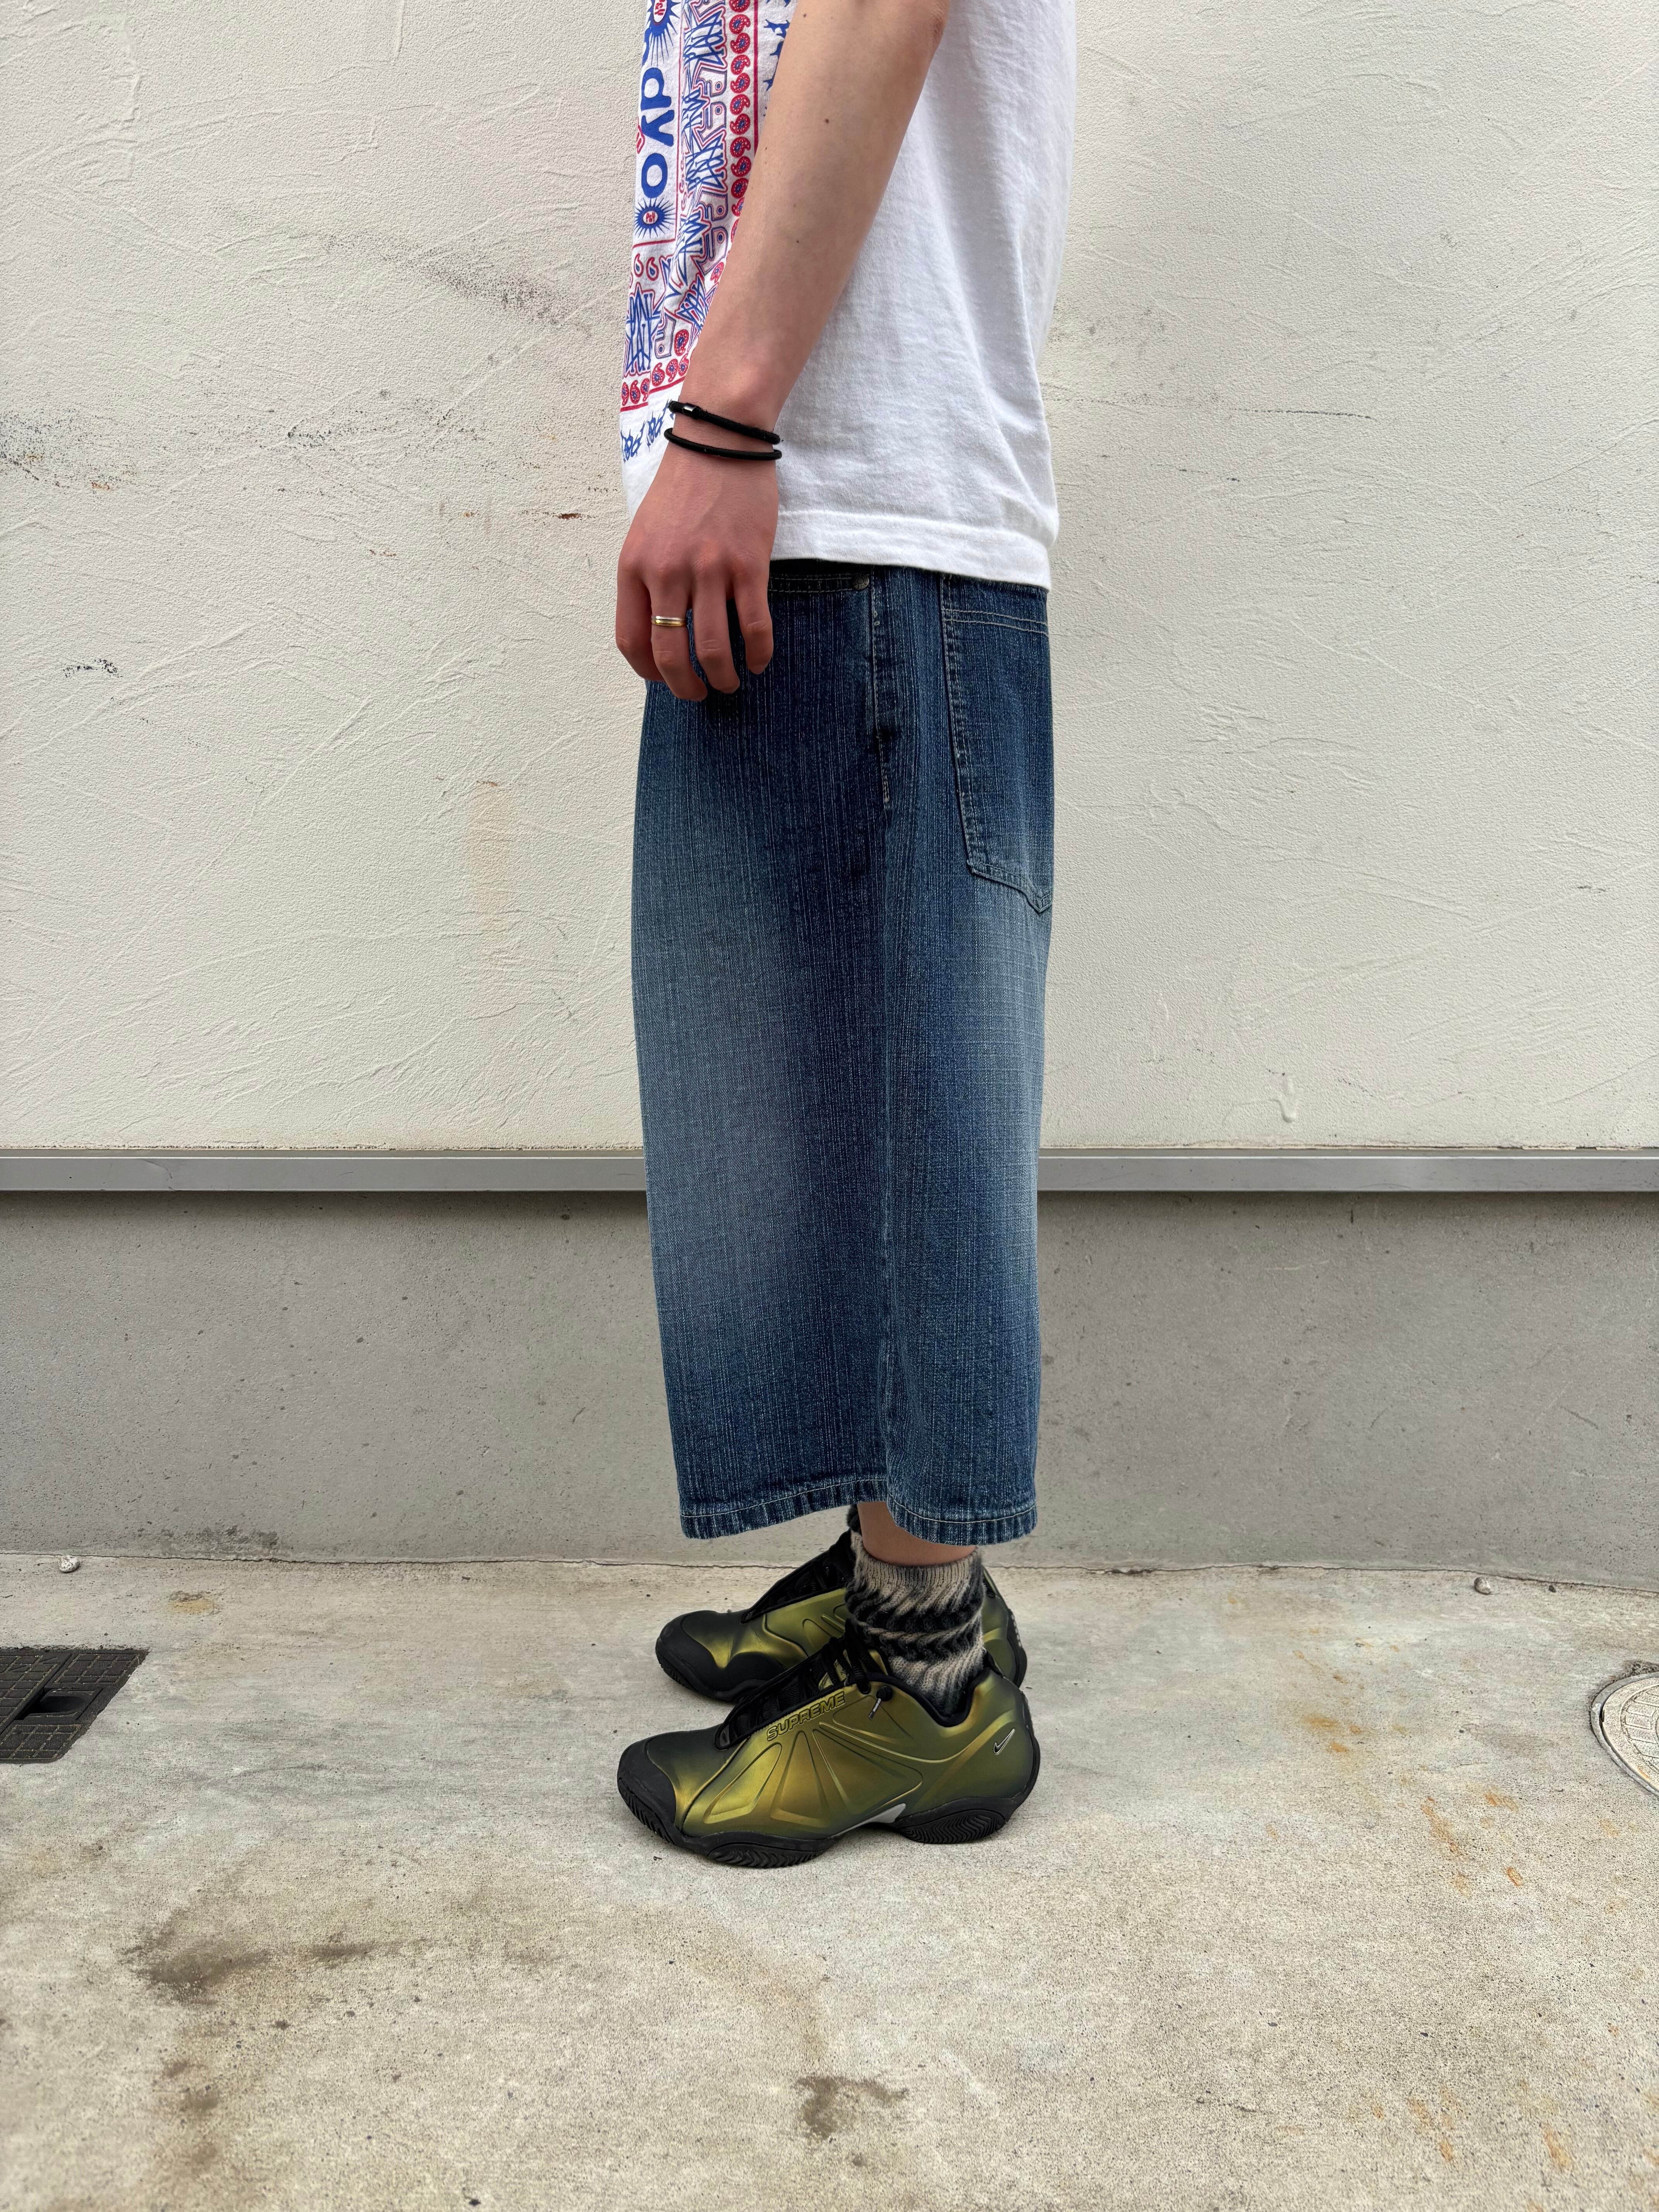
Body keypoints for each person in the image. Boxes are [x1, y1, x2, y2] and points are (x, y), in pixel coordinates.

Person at [612, 0, 1075, 1865]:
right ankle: (890, 1550)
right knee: (804, 1098)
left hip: (862, 489)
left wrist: (731, 417)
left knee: (904, 1104)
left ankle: (928, 1677)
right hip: (831, 489)